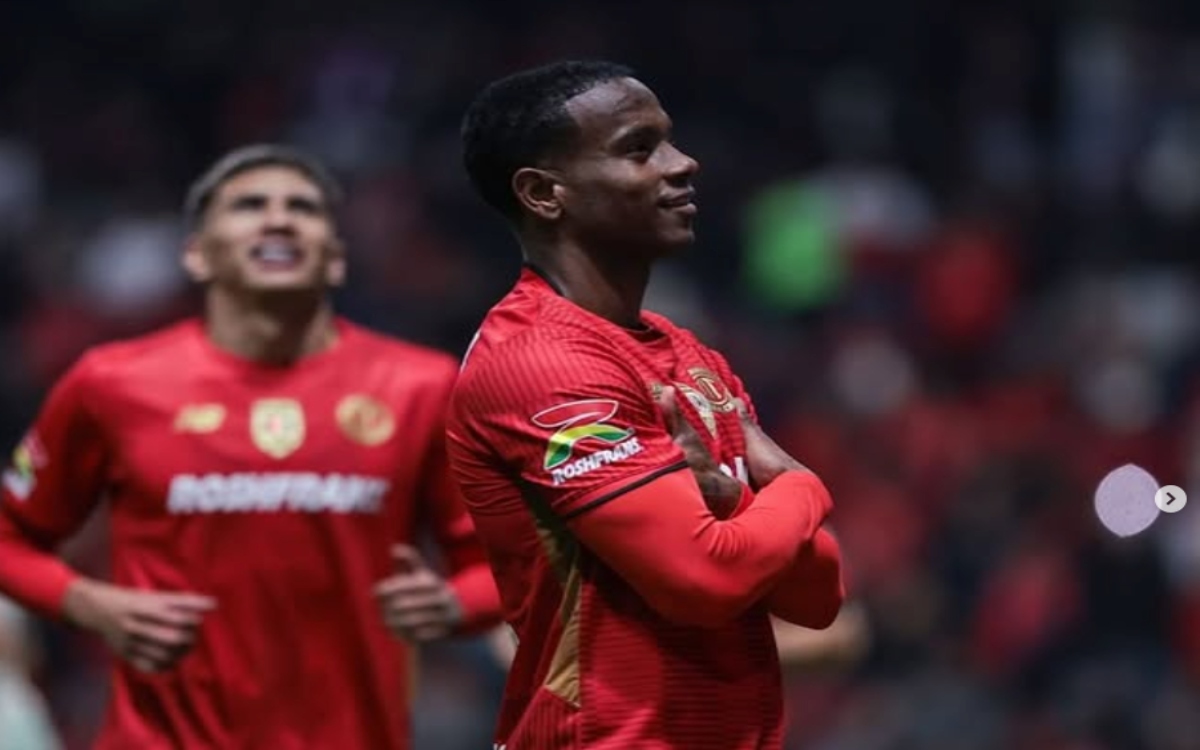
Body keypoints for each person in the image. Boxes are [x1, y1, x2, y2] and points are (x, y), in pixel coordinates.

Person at [0, 144, 501, 749]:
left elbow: (507, 564)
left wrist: (453, 606)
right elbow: (9, 540)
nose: (278, 219)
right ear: (197, 253)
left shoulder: (420, 386)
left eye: (303, 208)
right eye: (249, 206)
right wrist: (91, 606)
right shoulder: (112, 383)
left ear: (336, 258)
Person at [448, 60, 846, 749]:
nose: (683, 163)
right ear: (543, 193)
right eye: (639, 149)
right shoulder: (539, 362)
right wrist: (802, 488)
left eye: (669, 140)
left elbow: (817, 596)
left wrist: (734, 504)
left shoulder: (690, 355)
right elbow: (705, 576)